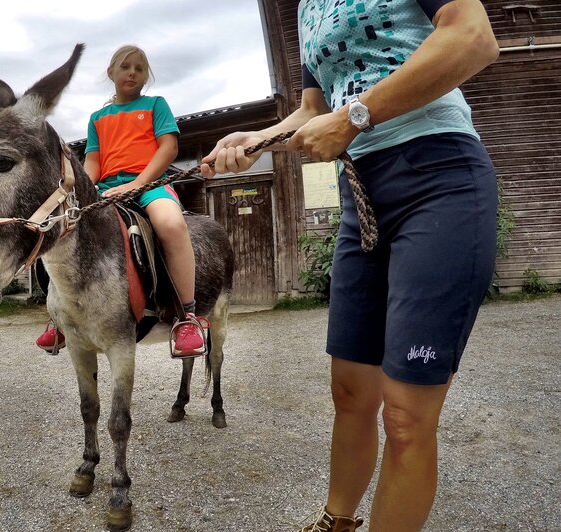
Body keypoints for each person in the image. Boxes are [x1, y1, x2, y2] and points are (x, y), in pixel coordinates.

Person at [200, 1, 499, 530]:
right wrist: (258, 141)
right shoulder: (307, 8)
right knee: (350, 391)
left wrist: (357, 115)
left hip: (440, 177)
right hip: (361, 195)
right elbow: (315, 109)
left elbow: (473, 37)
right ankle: (335, 522)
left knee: (405, 417)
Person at [37, 44, 207, 358]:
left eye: (139, 68)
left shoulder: (156, 105)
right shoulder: (98, 118)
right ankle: (59, 317)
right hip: (105, 189)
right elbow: (93, 163)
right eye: (126, 66)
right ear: (111, 73)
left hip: (150, 185)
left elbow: (167, 149)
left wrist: (138, 184)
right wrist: (83, 192)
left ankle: (187, 316)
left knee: (170, 224)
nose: (132, 73)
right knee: (61, 228)